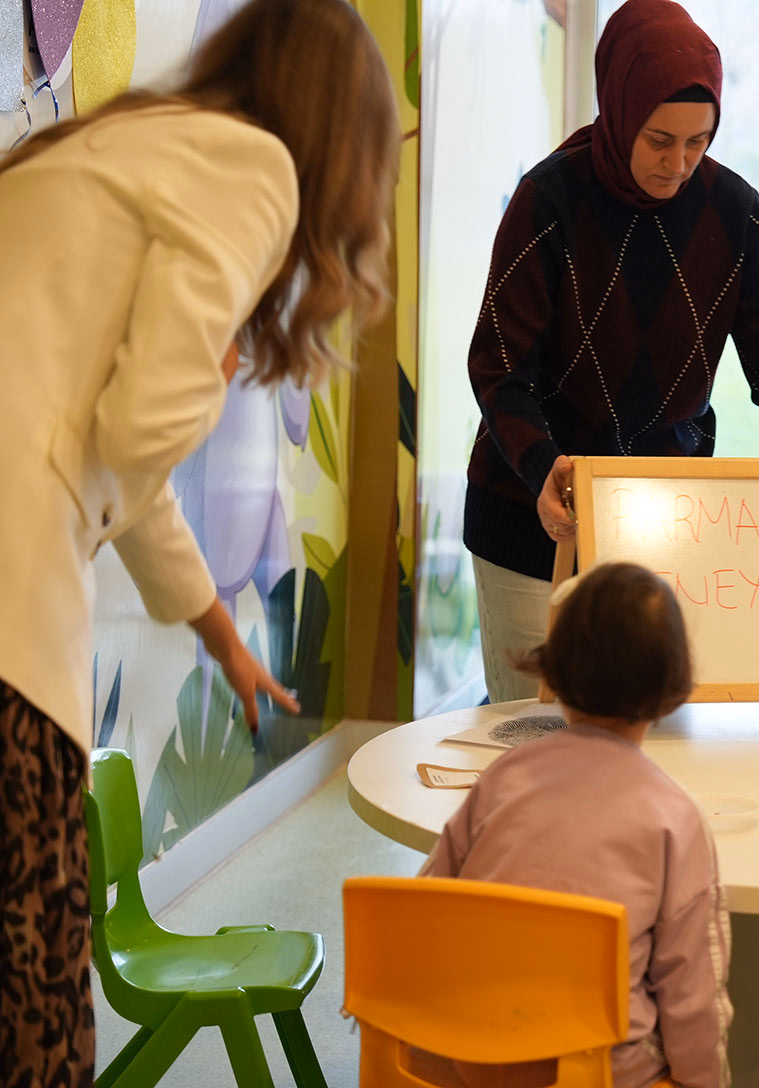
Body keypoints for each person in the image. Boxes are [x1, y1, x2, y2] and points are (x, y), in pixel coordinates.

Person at [0, 0, 398, 1079]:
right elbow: (139, 435)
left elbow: (112, 464)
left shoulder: (130, 139)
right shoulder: (251, 168)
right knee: (29, 1009)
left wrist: (219, 627)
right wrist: (215, 375)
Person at [465, 0, 759, 703]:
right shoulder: (549, 198)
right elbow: (502, 369)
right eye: (660, 139)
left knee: (650, 734)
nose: (679, 164)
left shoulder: (733, 208)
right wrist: (543, 465)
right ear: (619, 109)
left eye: (699, 142)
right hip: (531, 506)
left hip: (662, 520)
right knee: (530, 739)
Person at [421, 562, 731, 1088]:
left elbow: (427, 905)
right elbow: (693, 990)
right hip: (594, 1069)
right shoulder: (674, 818)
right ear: (672, 681)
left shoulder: (502, 778)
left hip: (466, 1053)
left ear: (554, 669)